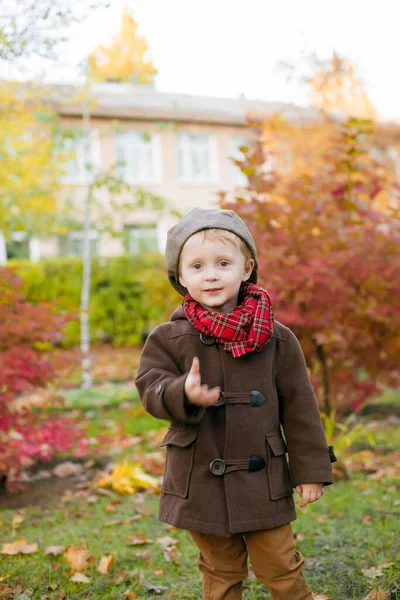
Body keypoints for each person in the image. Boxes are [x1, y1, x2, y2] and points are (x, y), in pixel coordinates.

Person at [135, 207, 336, 600]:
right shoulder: (168, 338)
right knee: (220, 570)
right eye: (196, 265)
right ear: (181, 277)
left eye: (223, 263)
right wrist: (182, 393)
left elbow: (300, 408)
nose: (210, 274)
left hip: (263, 478)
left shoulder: (278, 338)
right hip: (200, 476)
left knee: (280, 564)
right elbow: (150, 388)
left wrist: (310, 469)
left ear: (246, 269)